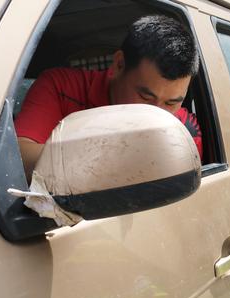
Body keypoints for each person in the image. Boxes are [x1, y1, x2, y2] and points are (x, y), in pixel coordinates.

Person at [15, 14, 202, 179]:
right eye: (145, 97)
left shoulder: (185, 131)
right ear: (118, 65)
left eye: (171, 103)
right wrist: (111, 154)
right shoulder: (61, 87)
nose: (155, 114)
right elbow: (18, 157)